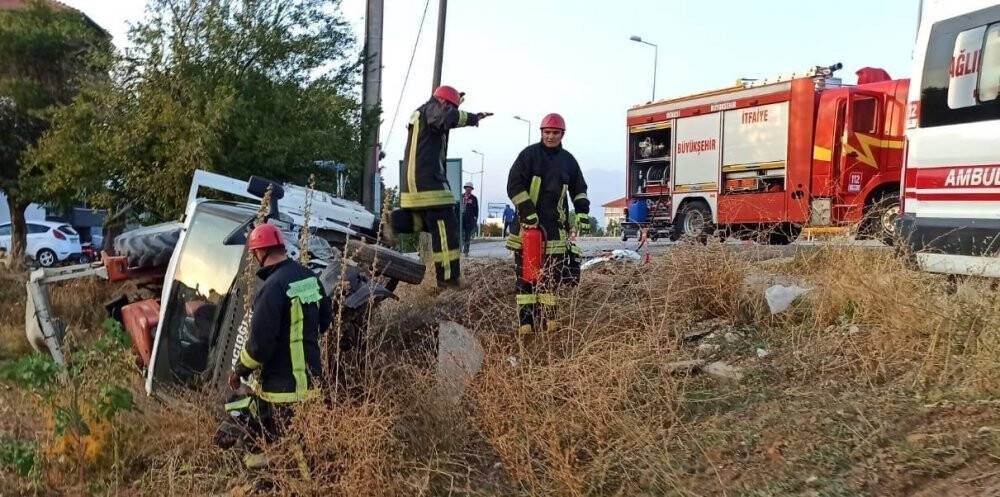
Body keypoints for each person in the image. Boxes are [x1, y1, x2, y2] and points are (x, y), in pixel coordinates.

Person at [214, 223, 333, 468]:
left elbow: (259, 347)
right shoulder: (310, 279)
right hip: (312, 388)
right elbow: (324, 322)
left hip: (282, 392)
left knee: (271, 456)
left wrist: (239, 371)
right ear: (281, 247)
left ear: (259, 253)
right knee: (307, 452)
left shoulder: (271, 288)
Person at [388, 85, 492, 287]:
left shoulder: (425, 111)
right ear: (443, 103)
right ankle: (448, 282)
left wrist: (456, 102)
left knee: (428, 222)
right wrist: (473, 118)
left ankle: (394, 221)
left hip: (419, 183)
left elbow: (444, 115)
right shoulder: (433, 109)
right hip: (428, 184)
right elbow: (446, 116)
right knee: (446, 227)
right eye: (451, 107)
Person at [505, 113, 590, 336]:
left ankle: (550, 321)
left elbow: (579, 188)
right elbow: (514, 185)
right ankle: (526, 323)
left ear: (562, 134)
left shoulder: (568, 161)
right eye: (547, 132)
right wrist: (527, 212)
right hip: (527, 227)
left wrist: (582, 212)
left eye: (555, 133)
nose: (550, 136)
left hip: (554, 228)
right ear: (541, 133)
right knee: (526, 276)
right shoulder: (528, 156)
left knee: (551, 276)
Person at [460, 181, 479, 255]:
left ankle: (466, 251)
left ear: (471, 189)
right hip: (461, 219)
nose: (468, 189)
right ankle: (460, 249)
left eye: (470, 188)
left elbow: (476, 210)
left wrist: (475, 219)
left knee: (467, 236)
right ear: (465, 188)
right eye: (467, 187)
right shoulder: (461, 196)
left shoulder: (474, 198)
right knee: (461, 235)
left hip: (469, 220)